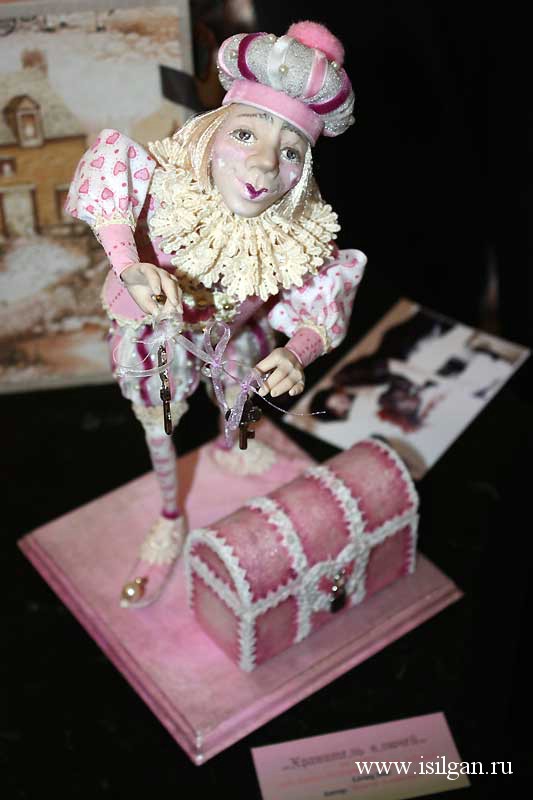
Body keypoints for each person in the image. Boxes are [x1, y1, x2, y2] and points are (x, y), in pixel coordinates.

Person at [66, 21, 366, 608]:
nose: (263, 166)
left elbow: (321, 298)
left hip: (237, 336)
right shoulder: (168, 188)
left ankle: (234, 448)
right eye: (246, 133)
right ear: (211, 130)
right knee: (160, 426)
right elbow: (109, 182)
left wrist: (297, 350)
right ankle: (169, 514)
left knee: (240, 396)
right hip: (159, 339)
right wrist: (129, 264)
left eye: (290, 152)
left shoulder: (297, 233)